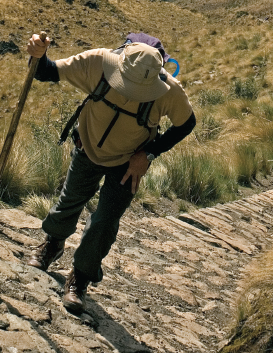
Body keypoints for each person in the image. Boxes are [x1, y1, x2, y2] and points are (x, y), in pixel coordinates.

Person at [25, 32, 196, 314]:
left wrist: (148, 154)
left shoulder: (169, 91)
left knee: (104, 222)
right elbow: (46, 72)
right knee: (70, 200)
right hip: (88, 146)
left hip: (129, 164)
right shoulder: (96, 63)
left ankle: (80, 277)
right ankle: (53, 243)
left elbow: (186, 124)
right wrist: (38, 53)